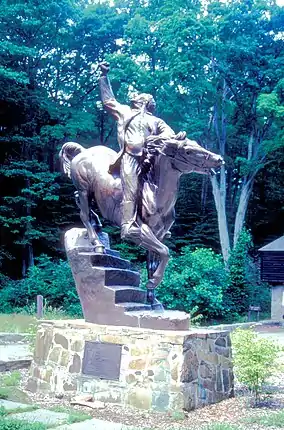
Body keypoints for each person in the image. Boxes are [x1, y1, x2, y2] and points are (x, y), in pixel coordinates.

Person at [99, 62, 176, 239]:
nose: (153, 103)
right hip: (131, 158)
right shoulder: (126, 112)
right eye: (150, 100)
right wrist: (104, 77)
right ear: (143, 103)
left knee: (166, 188)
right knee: (131, 188)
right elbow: (108, 101)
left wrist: (174, 137)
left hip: (152, 162)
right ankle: (128, 224)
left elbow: (169, 135)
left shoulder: (157, 121)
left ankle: (165, 220)